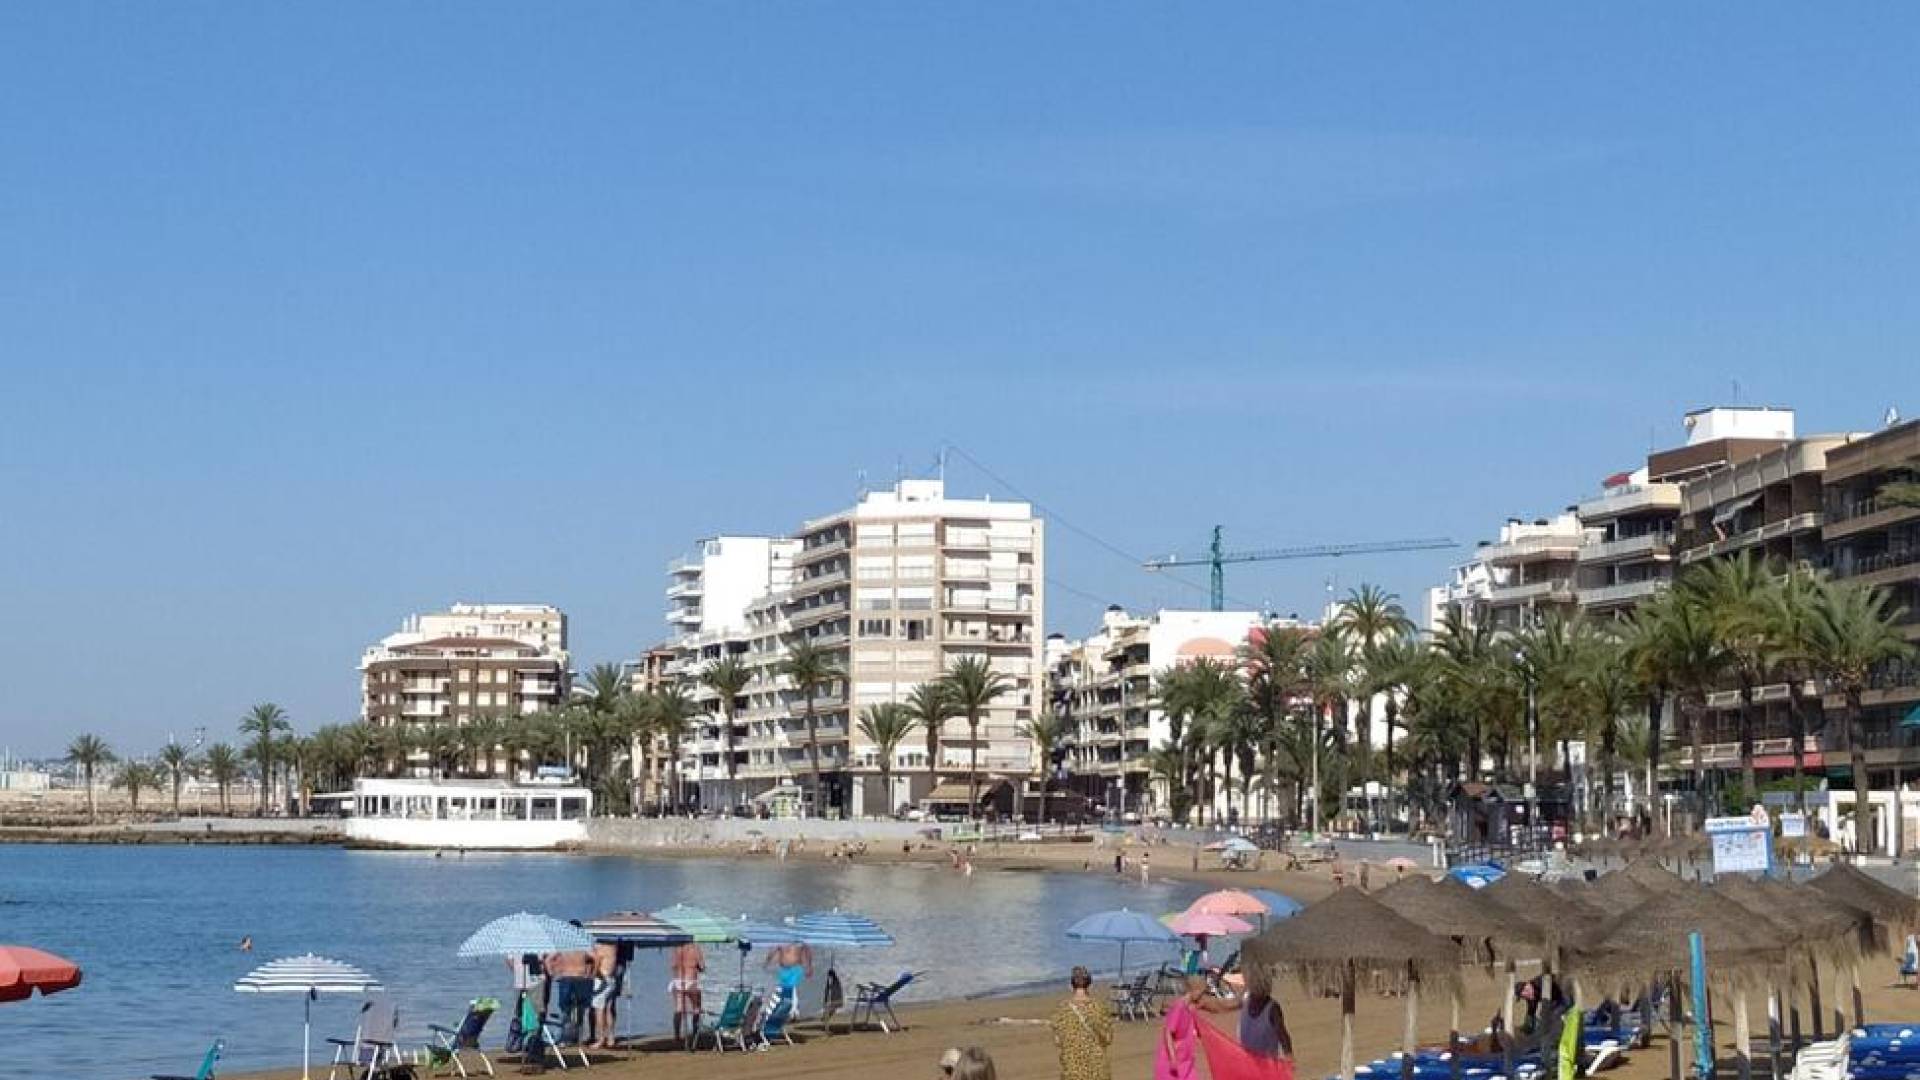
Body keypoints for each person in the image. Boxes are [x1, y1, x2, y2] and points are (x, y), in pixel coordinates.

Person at [1049, 966, 1114, 1080]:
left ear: (1071, 985)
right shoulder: (1099, 1007)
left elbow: (1058, 1041)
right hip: (1097, 1067)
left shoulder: (1062, 1009)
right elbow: (1108, 1039)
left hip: (1072, 1067)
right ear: (1089, 984)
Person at [1237, 967, 1292, 1061]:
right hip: (1246, 1061)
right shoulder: (1246, 999)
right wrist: (1210, 1007)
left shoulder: (1272, 1009)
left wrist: (1289, 1057)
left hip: (1266, 1064)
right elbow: (1226, 1007)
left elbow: (1283, 1036)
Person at [668, 938, 705, 1044]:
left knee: (679, 1008)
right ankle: (695, 1034)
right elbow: (702, 966)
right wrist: (696, 967)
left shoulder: (677, 949)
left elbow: (673, 966)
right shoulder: (695, 948)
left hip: (678, 981)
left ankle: (677, 1035)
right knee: (696, 1008)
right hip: (691, 981)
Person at [589, 938, 621, 1050]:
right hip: (611, 978)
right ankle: (611, 1038)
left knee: (599, 1010)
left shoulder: (600, 947)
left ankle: (601, 1039)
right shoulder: (614, 947)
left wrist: (592, 974)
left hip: (602, 979)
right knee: (608, 1009)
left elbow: (597, 961)